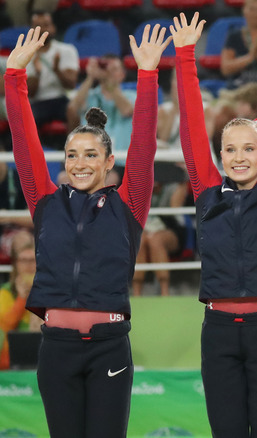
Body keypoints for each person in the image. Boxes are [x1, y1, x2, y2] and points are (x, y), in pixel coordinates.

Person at [4, 23, 166, 437]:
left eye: (91, 154)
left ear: (108, 161)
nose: (79, 162)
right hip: (56, 347)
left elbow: (146, 146)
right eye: (72, 154)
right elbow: (24, 142)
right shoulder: (46, 201)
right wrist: (14, 76)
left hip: (110, 344)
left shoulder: (128, 204)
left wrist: (147, 76)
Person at [172, 11, 257, 437]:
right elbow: (193, 126)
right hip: (216, 331)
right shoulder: (206, 191)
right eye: (229, 149)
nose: (237, 157)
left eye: (248, 148)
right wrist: (184, 56)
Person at [26, 10, 78, 126]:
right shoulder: (25, 55)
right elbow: (30, 93)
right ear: (31, 30)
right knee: (24, 120)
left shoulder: (67, 50)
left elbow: (71, 85)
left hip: (61, 98)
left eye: (46, 25)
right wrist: (37, 73)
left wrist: (57, 70)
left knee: (75, 112)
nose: (43, 30)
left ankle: (75, 144)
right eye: (38, 27)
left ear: (53, 27)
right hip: (38, 102)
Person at [0, 233, 41, 370]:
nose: (28, 266)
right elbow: (5, 326)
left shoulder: (48, 290)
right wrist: (21, 299)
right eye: (23, 260)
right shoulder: (6, 291)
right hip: (12, 354)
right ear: (16, 264)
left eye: (32, 260)